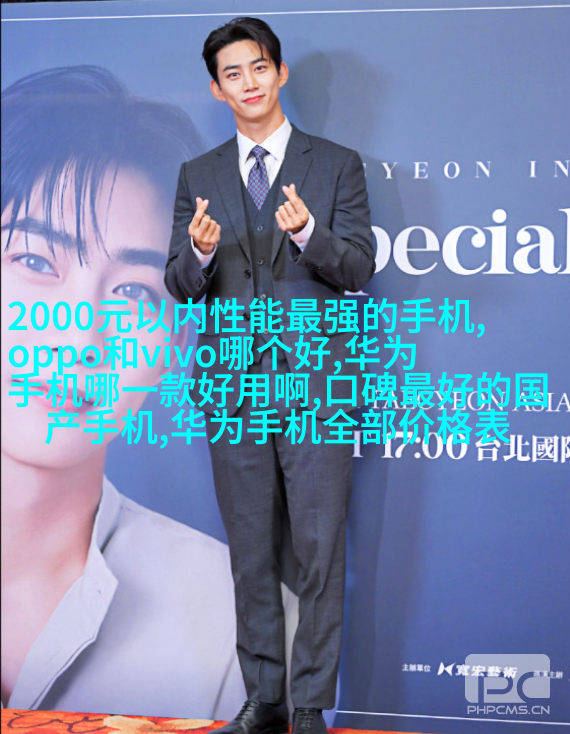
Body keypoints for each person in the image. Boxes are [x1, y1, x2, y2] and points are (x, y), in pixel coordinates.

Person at [1, 65, 251, 717]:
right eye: (35, 261)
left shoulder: (239, 628)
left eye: (134, 293)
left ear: (177, 338)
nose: (78, 337)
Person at [164, 17, 375, 734]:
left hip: (316, 389)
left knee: (320, 551)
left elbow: (359, 267)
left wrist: (309, 235)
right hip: (233, 391)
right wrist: (197, 255)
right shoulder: (198, 176)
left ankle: (310, 706)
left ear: (280, 73)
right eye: (233, 74)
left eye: (258, 68)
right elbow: (177, 285)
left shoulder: (336, 164)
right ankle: (264, 699)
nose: (248, 83)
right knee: (250, 553)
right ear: (216, 89)